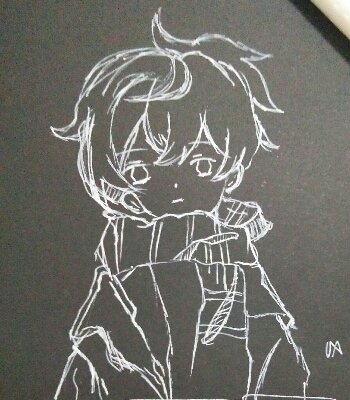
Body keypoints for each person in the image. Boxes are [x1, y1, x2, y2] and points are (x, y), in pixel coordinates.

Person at [53, 10, 309, 399]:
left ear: (232, 168)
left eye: (202, 164)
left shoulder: (236, 252)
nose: (174, 188)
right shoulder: (119, 253)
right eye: (140, 170)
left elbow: (275, 355)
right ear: (114, 180)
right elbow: (99, 354)